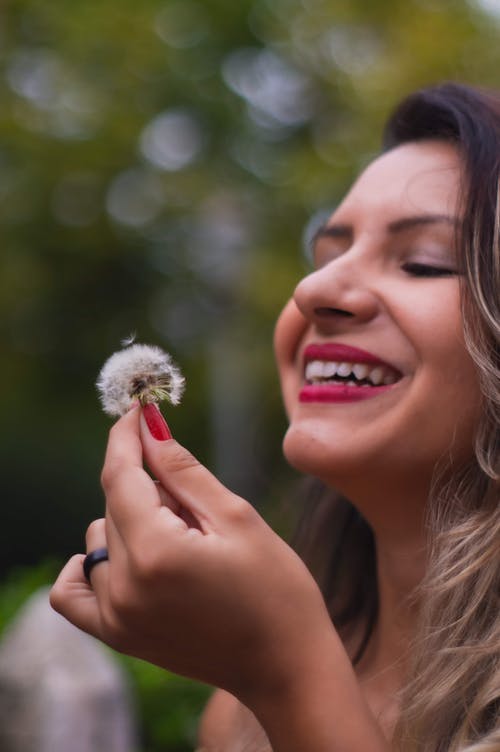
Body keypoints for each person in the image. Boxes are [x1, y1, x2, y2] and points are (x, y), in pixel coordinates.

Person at [50, 82, 500, 751]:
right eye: (327, 254)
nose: (313, 289)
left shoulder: (267, 686)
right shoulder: (238, 720)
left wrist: (290, 676)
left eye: (422, 262)